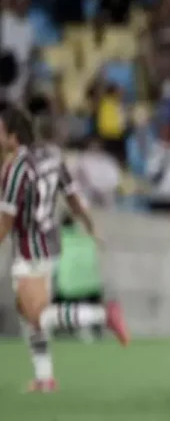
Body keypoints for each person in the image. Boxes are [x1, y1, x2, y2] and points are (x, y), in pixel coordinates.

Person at [0, 105, 129, 394]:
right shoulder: (52, 157)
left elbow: (5, 223)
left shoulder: (16, 169)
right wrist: (91, 226)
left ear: (12, 134)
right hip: (49, 243)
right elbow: (73, 197)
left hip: (29, 248)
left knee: (37, 315)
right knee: (29, 314)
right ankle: (45, 378)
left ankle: (103, 316)